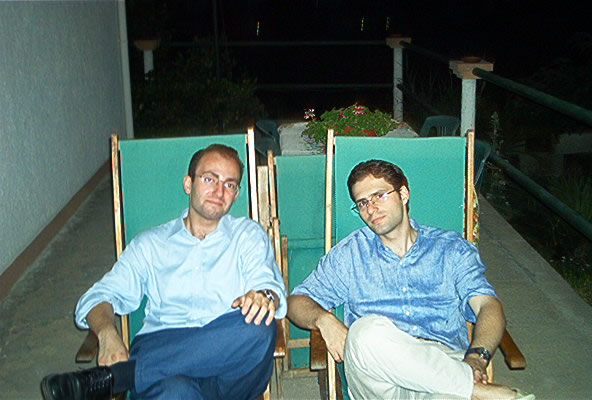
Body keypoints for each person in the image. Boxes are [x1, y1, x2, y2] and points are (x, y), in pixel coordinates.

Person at [41, 144, 287, 400]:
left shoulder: (247, 236)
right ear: (188, 184)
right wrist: (106, 332)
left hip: (229, 371)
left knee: (260, 327)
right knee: (175, 393)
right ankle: (133, 374)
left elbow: (269, 285)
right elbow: (97, 298)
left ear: (236, 195)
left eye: (229, 184)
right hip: (166, 353)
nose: (219, 191)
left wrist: (265, 296)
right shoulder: (151, 244)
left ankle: (121, 376)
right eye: (209, 179)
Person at [288, 159, 534, 400]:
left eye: (379, 196)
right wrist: (323, 319)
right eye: (362, 203)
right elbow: (296, 302)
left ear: (403, 194)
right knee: (364, 333)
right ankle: (478, 390)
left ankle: (465, 386)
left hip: (442, 365)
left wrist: (477, 358)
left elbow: (488, 305)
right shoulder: (350, 254)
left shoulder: (451, 249)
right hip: (379, 377)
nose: (370, 209)